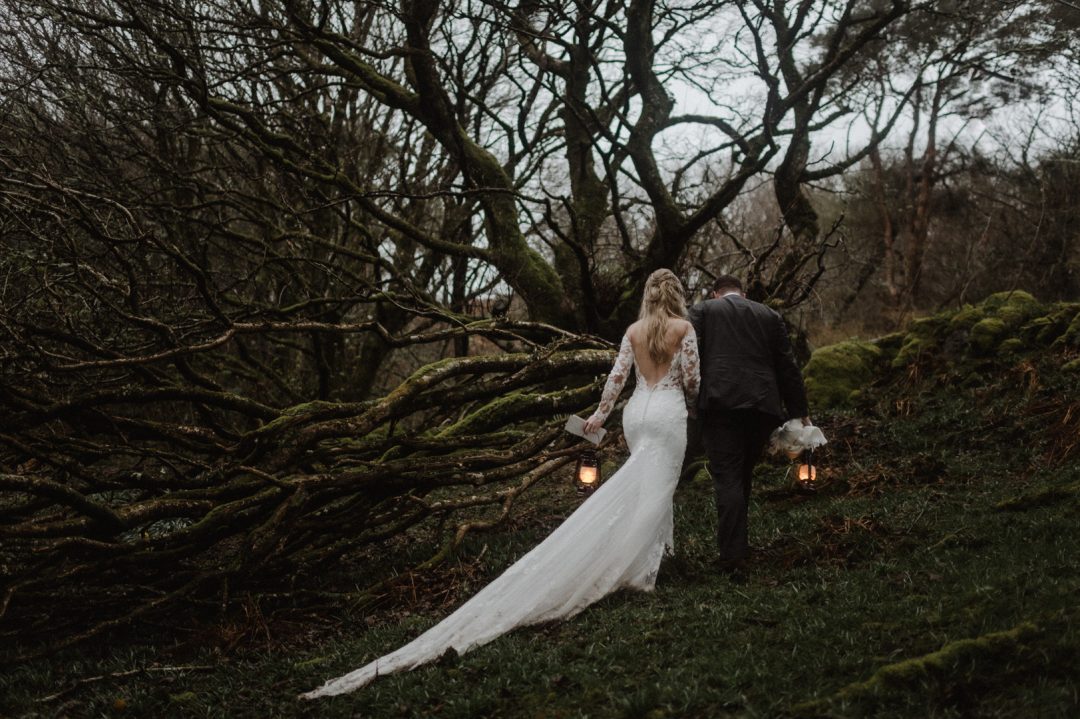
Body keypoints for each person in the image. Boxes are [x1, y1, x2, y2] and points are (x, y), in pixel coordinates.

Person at [301, 269, 700, 698]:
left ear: (646, 295)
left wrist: (599, 418)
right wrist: (688, 399)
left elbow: (617, 379)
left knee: (646, 486)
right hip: (667, 414)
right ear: (676, 295)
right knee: (658, 486)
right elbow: (692, 381)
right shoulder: (685, 329)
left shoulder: (633, 331)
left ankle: (660, 554)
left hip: (636, 413)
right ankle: (639, 573)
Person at [688, 274, 809, 578]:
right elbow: (787, 365)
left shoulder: (703, 311)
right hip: (763, 406)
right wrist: (799, 410)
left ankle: (732, 556)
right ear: (742, 293)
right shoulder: (769, 315)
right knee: (742, 475)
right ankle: (739, 547)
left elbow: (687, 355)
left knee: (727, 476)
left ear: (717, 293)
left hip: (720, 403)